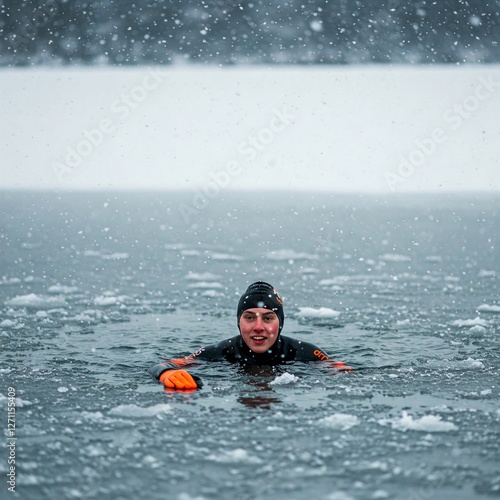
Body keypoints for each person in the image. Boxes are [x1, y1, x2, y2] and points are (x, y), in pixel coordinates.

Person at [148, 281, 351, 390]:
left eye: (268, 318)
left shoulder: (306, 352)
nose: (258, 327)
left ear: (280, 323)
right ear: (239, 322)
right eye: (250, 317)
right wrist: (165, 373)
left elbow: (345, 375)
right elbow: (164, 364)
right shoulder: (220, 351)